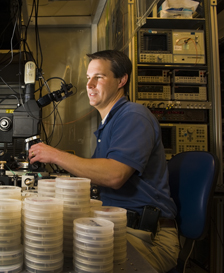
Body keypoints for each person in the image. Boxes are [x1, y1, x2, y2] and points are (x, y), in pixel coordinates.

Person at [28, 50, 179, 272]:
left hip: (145, 237)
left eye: (99, 77)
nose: (89, 85)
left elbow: (114, 175)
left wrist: (55, 155)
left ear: (122, 80)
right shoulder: (109, 124)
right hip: (117, 227)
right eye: (88, 78)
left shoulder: (133, 115)